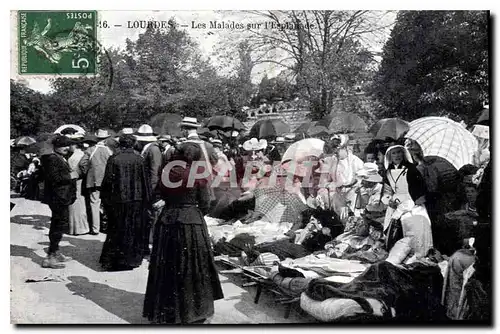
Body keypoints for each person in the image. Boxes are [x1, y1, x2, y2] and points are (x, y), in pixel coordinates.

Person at [143, 142, 224, 324]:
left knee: (167, 265)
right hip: (191, 221)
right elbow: (205, 202)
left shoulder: (167, 171)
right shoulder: (198, 173)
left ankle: (167, 311)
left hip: (168, 221)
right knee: (193, 265)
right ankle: (193, 311)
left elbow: (158, 193)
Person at [100, 135, 151, 271]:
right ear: (133, 145)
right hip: (136, 200)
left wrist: (104, 199)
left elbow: (108, 181)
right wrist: (147, 200)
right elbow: (145, 182)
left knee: (116, 229)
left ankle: (114, 261)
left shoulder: (114, 159)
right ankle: (131, 260)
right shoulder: (139, 159)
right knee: (133, 230)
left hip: (118, 199)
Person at [381, 145, 432, 258]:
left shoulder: (412, 170)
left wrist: (407, 205)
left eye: (399, 152)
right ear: (389, 156)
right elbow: (387, 191)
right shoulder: (388, 172)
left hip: (412, 202)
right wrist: (388, 201)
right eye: (394, 153)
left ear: (403, 154)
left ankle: (417, 255)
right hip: (395, 203)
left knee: (416, 225)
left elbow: (419, 191)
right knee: (392, 228)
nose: (397, 155)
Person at [40, 135, 76, 268]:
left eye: (68, 145)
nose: (67, 148)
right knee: (58, 224)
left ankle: (55, 251)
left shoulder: (59, 157)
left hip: (61, 196)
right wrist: (71, 176)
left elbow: (70, 151)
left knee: (59, 224)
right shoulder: (52, 159)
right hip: (58, 197)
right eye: (63, 146)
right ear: (56, 147)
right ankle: (50, 256)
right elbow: (55, 178)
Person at [135, 124, 163, 255]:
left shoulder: (153, 150)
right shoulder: (149, 149)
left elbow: (154, 173)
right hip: (147, 189)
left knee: (151, 219)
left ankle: (150, 246)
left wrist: (150, 192)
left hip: (151, 190)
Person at [79, 129, 113, 235]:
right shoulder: (110, 151)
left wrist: (88, 173)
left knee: (94, 204)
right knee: (108, 204)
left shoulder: (90, 150)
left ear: (97, 138)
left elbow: (82, 163)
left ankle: (95, 228)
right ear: (106, 139)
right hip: (107, 181)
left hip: (94, 181)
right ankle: (108, 226)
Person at [66, 133, 89, 235]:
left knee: (74, 204)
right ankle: (81, 227)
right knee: (80, 204)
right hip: (80, 181)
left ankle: (74, 228)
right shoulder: (82, 155)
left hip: (74, 180)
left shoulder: (73, 156)